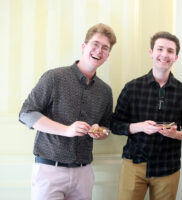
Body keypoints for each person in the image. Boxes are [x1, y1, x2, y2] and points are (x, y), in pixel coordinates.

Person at [19, 23, 116, 200]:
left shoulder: (105, 91)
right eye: (95, 44)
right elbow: (26, 113)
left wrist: (100, 132)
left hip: (84, 173)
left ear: (108, 55)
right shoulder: (54, 77)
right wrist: (66, 130)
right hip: (49, 170)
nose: (99, 50)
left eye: (105, 48)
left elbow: (106, 128)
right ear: (84, 46)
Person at [110, 31, 182, 200]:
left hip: (168, 167)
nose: (164, 55)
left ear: (176, 57)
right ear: (151, 53)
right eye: (160, 49)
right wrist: (139, 126)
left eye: (170, 51)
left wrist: (176, 134)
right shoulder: (132, 88)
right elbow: (114, 124)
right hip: (134, 164)